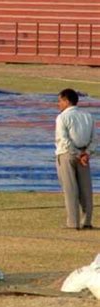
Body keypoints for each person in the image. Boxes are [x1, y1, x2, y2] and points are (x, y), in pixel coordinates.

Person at [55, 88, 97, 229]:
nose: (58, 104)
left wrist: (77, 154)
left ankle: (73, 223)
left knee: (70, 189)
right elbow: (95, 138)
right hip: (84, 154)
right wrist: (86, 153)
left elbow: (64, 139)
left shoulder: (62, 117)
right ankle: (87, 221)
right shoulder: (88, 116)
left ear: (67, 101)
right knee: (86, 189)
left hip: (67, 154)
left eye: (60, 101)